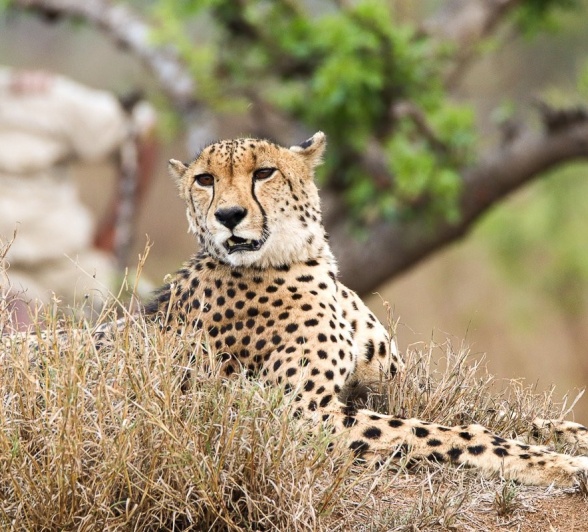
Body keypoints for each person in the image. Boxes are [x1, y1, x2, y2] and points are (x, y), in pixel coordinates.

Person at [0, 68, 154, 329]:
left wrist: (113, 229)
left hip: (71, 261)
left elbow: (143, 128)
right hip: (8, 276)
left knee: (156, 311)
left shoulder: (29, 97)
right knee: (16, 320)